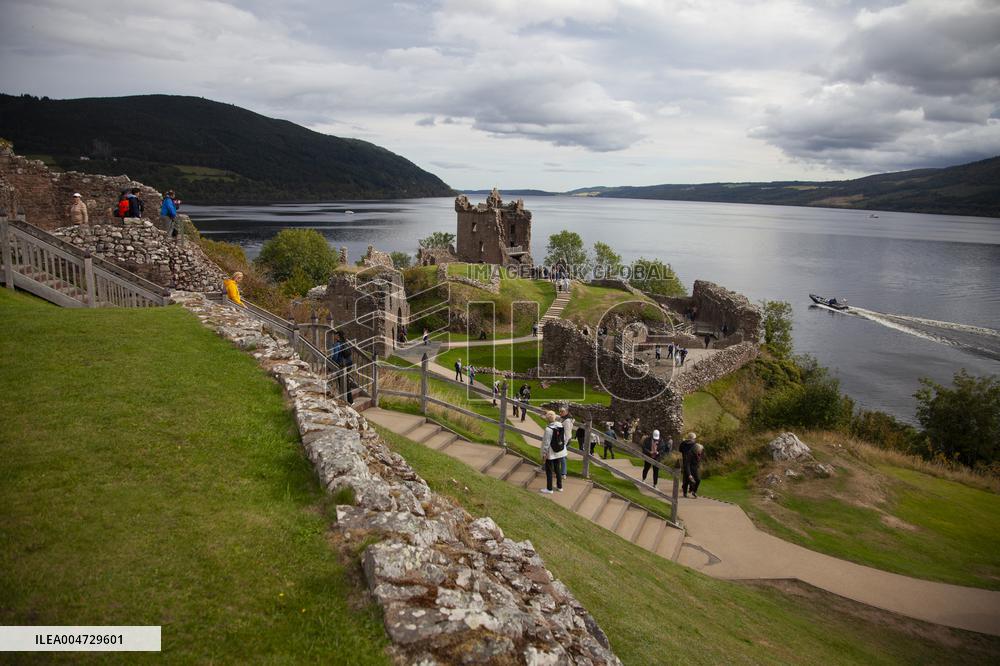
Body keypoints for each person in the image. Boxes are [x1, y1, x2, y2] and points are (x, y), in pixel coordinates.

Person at [539, 411, 566, 494]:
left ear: (547, 419)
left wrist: (544, 454)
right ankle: (559, 486)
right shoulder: (560, 425)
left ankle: (549, 489)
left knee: (549, 470)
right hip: (559, 451)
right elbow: (563, 438)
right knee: (558, 468)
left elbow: (546, 443)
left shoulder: (548, 429)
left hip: (551, 453)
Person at [679, 432, 702, 498]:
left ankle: (691, 491)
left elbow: (680, 450)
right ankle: (687, 492)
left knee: (693, 479)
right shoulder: (694, 445)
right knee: (687, 479)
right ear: (693, 439)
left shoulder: (683, 443)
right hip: (688, 463)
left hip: (689, 463)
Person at [558, 406, 574, 477]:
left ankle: (563, 473)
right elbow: (557, 417)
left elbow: (567, 434)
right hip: (563, 439)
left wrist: (564, 444)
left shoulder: (567, 421)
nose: (560, 413)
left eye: (562, 411)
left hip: (564, 440)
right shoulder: (564, 418)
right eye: (560, 411)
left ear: (567, 412)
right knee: (560, 455)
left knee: (562, 456)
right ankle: (561, 472)